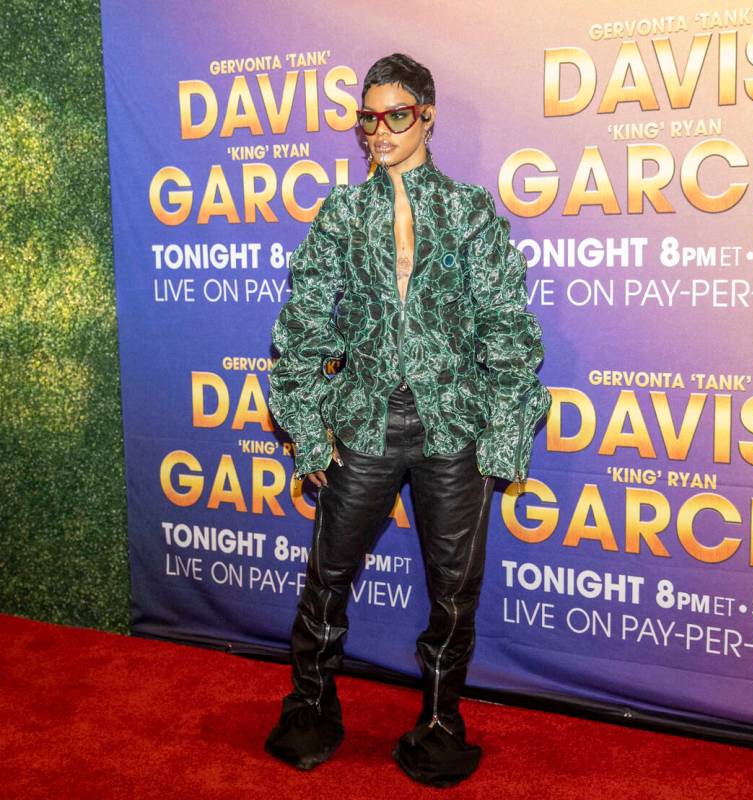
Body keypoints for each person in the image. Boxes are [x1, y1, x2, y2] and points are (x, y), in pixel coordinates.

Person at [264, 52, 551, 787]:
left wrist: (504, 439)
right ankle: (311, 704)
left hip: (452, 425)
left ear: (426, 115)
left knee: (455, 589)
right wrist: (305, 429)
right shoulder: (342, 213)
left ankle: (438, 719)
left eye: (395, 115)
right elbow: (302, 329)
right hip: (363, 422)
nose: (379, 130)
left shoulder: (468, 211)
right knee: (327, 573)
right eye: (368, 116)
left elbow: (506, 329)